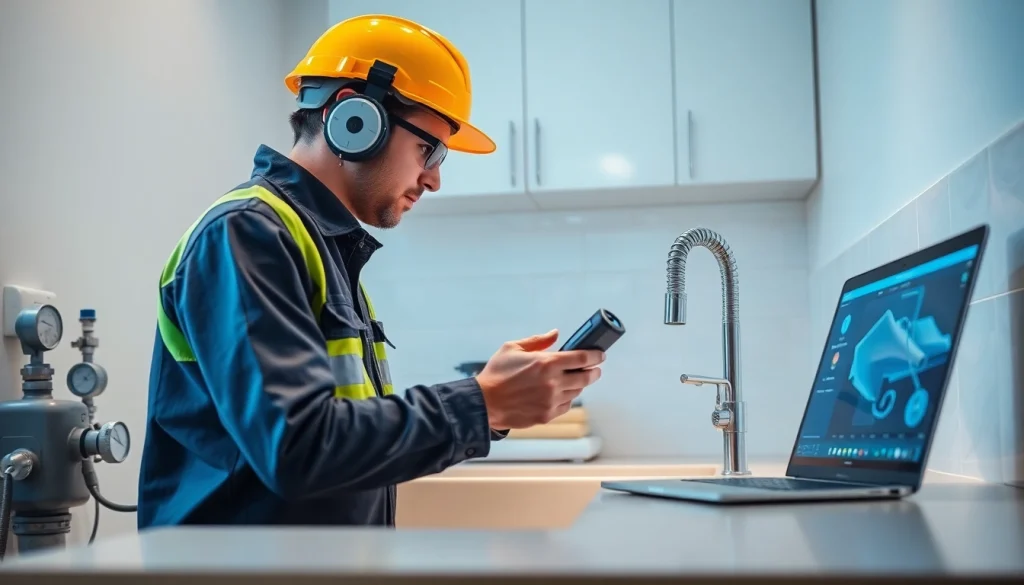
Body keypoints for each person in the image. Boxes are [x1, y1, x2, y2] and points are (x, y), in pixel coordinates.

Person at [136, 14, 604, 529]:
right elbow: (298, 447)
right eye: (428, 149)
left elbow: (344, 440)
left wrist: (495, 406)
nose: (434, 179)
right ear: (353, 117)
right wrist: (482, 403)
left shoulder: (319, 248)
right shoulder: (245, 234)